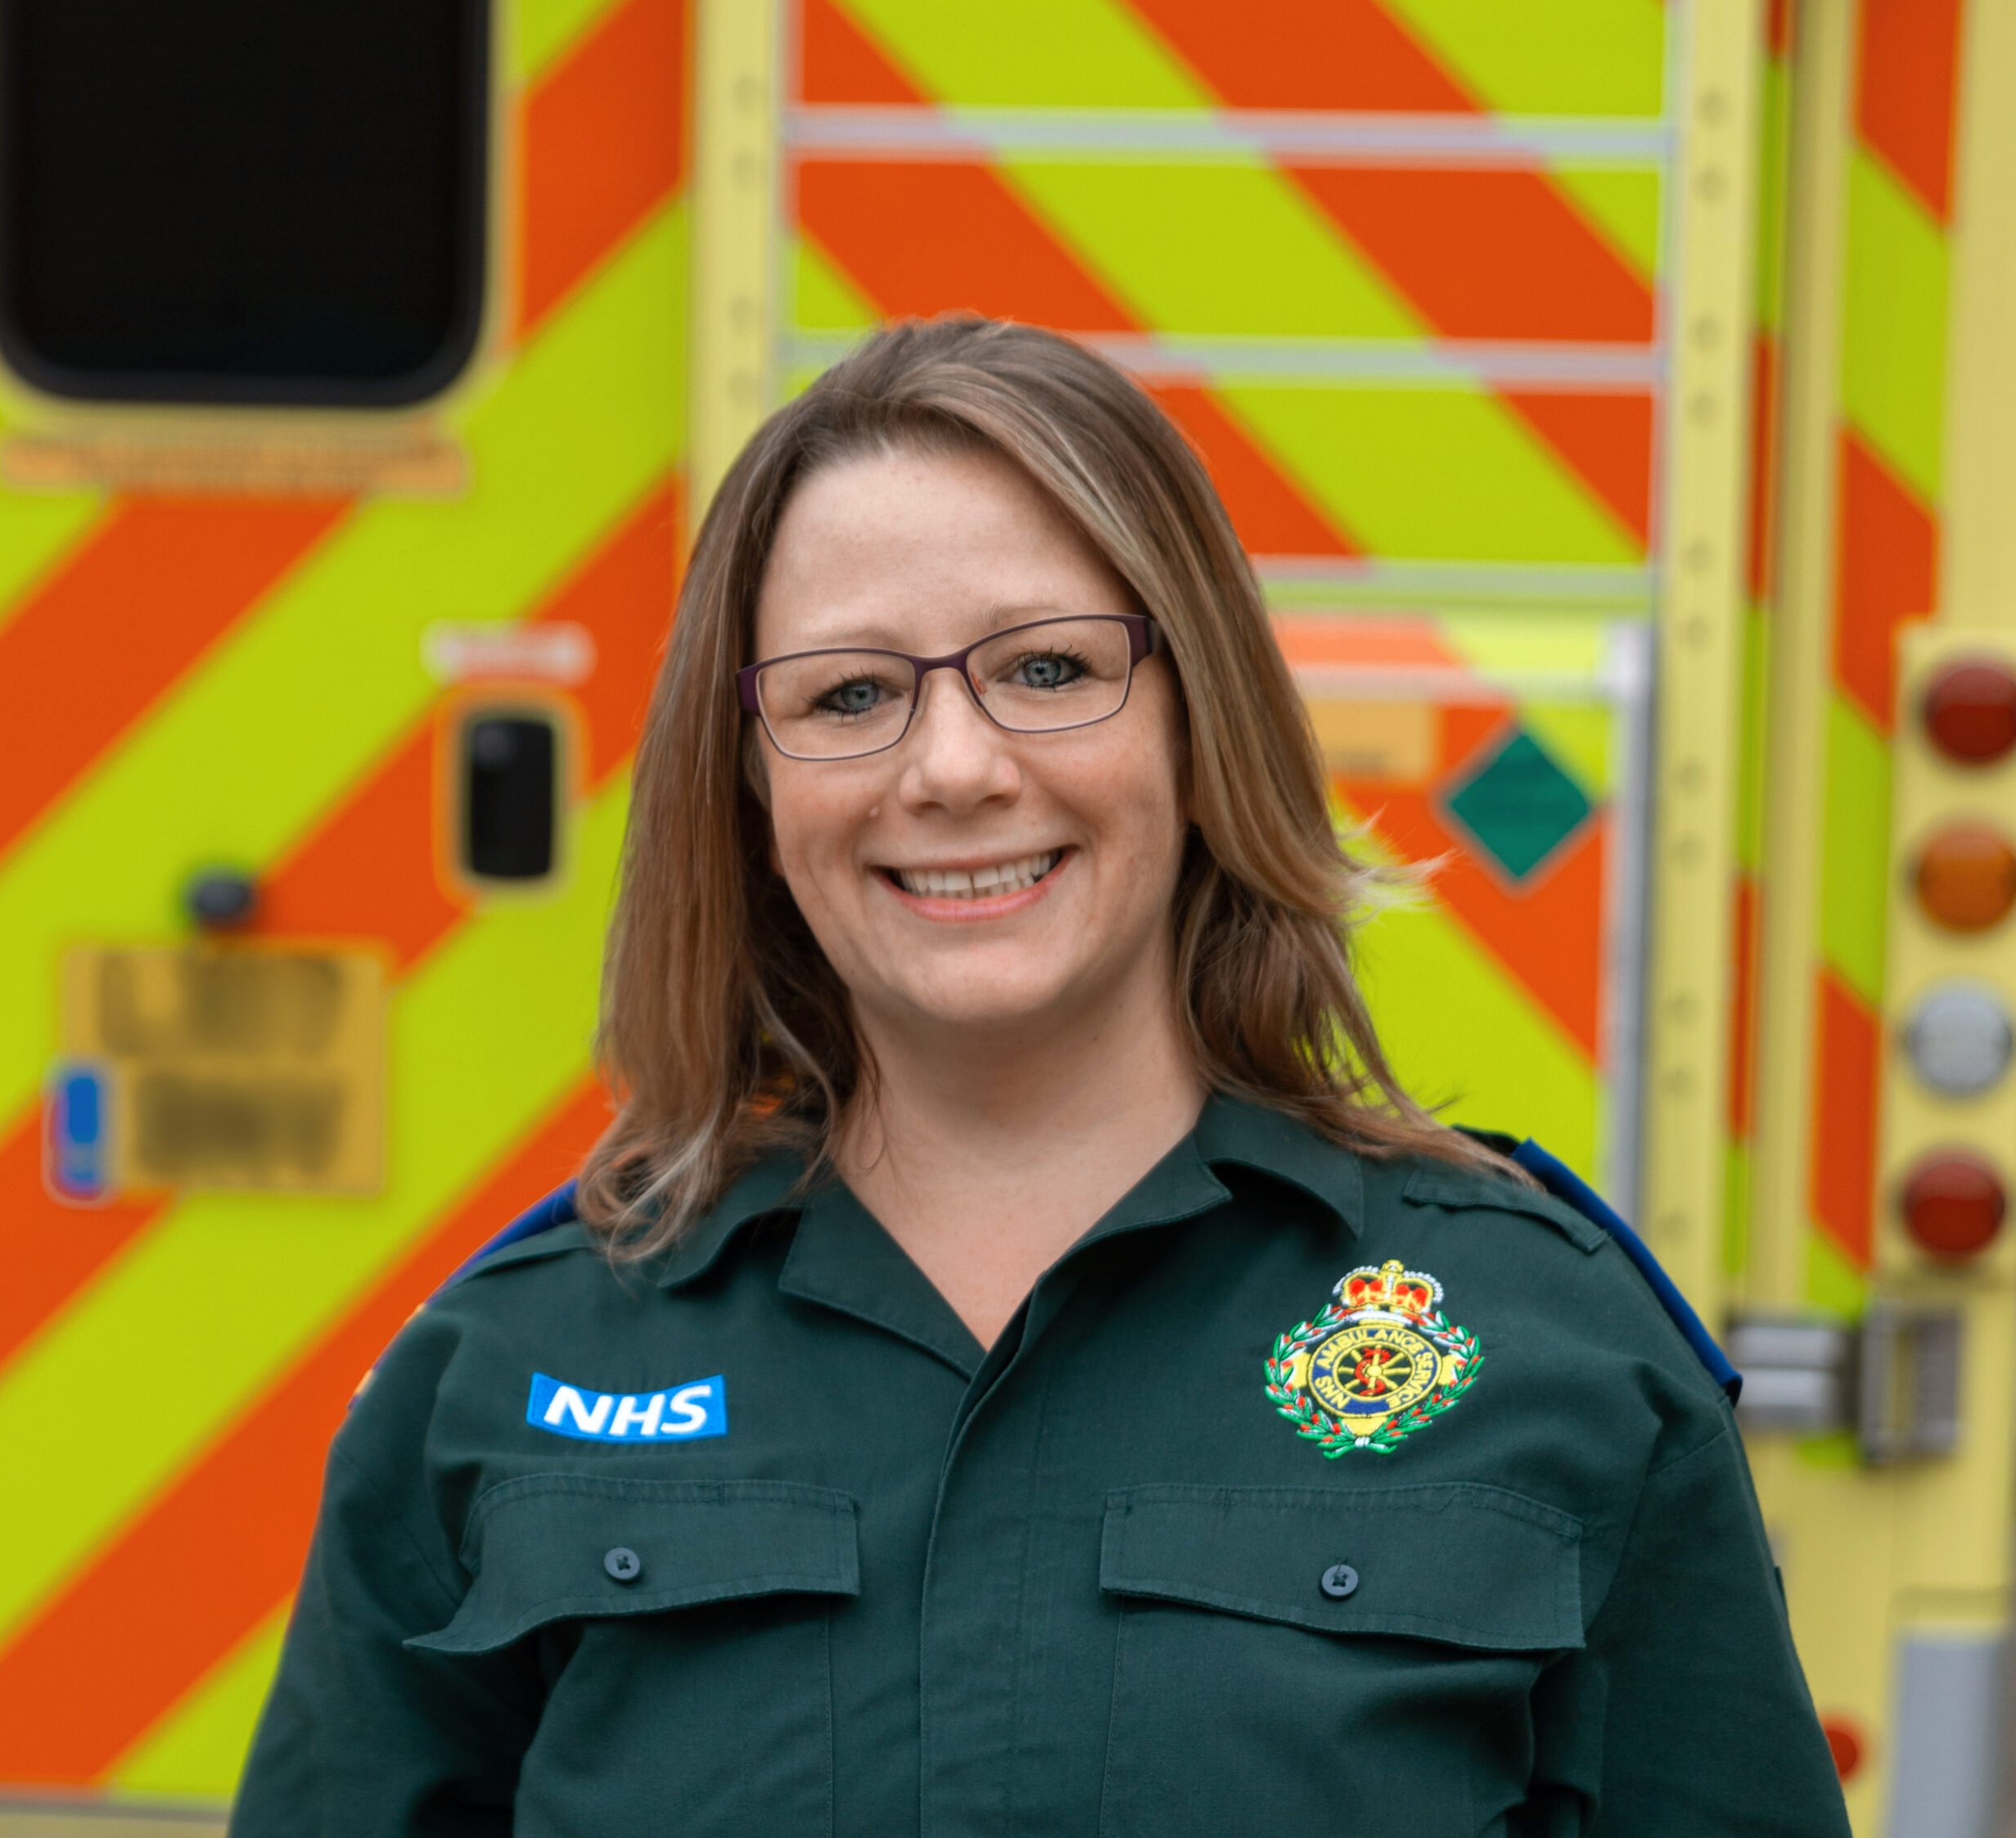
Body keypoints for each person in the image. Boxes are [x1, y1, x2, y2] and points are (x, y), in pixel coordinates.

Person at [232, 318, 1850, 1837]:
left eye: (1050, 669)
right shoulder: (502, 1376)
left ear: (1193, 714)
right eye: (847, 695)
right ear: (747, 782)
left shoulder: (1551, 1355)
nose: (952, 768)